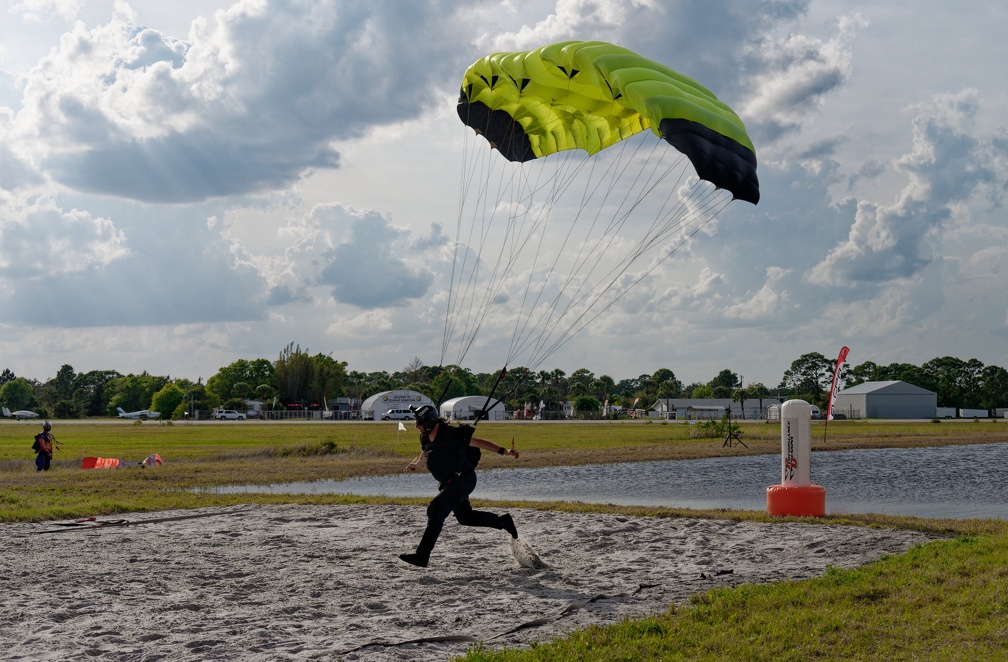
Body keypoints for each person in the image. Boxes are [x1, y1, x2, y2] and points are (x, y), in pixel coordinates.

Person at [399, 404, 520, 568]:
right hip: (449, 484)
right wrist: (417, 464)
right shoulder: (425, 437)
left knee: (435, 509)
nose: (416, 426)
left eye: (419, 422)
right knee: (465, 517)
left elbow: (479, 443)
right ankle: (503, 522)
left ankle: (422, 556)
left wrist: (504, 451)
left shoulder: (452, 434)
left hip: (464, 479)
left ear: (428, 422)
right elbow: (426, 451)